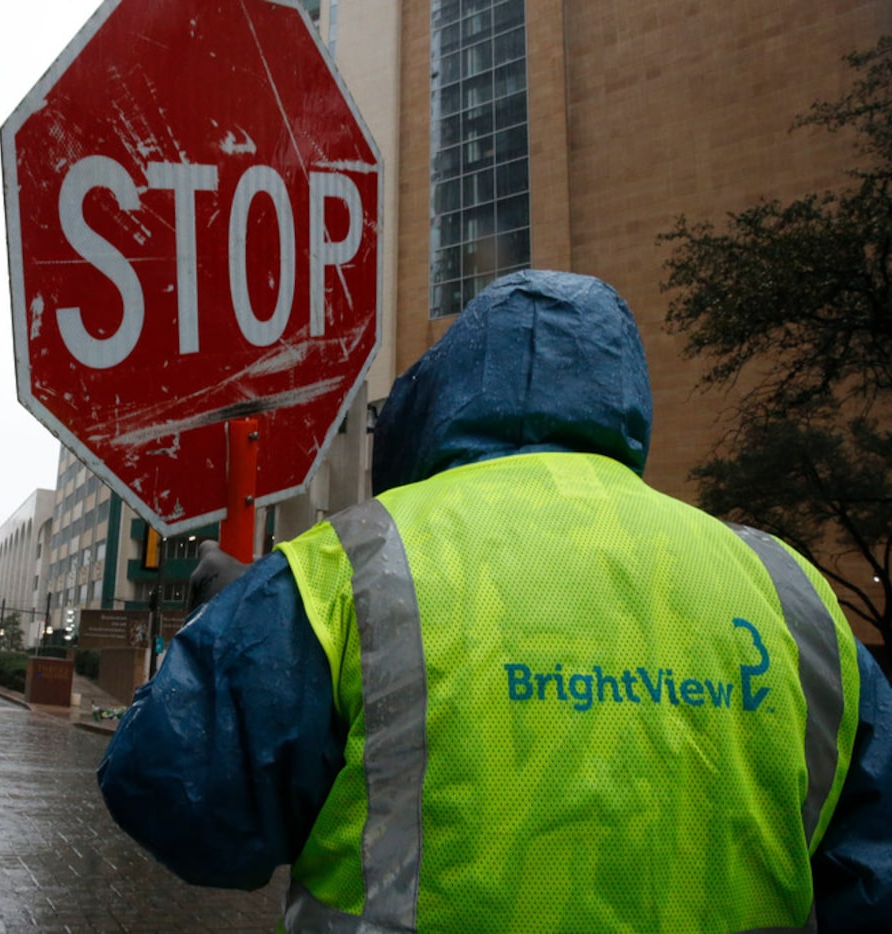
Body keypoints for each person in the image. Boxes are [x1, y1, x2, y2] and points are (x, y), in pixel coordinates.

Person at [97, 270, 892, 931]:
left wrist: (227, 625)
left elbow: (173, 798)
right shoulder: (790, 594)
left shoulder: (354, 565)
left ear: (442, 397)